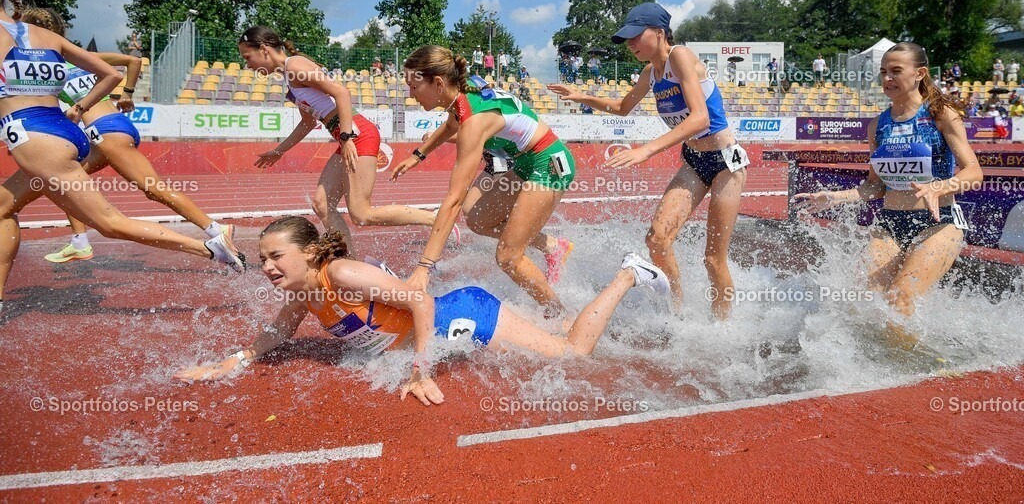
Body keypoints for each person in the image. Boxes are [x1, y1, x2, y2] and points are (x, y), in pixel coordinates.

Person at [173, 216, 670, 405]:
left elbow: (418, 299)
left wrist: (417, 367)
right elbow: (276, 334)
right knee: (553, 333)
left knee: (571, 356)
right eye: (262, 259)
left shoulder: (341, 273)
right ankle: (604, 315)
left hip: (464, 314)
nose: (266, 267)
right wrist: (232, 362)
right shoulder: (304, 293)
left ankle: (628, 273)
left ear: (310, 254)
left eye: (275, 257)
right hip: (453, 317)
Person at [0, 0, 244, 312]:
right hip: (66, 132)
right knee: (4, 205)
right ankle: (71, 246)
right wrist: (86, 105)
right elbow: (114, 72)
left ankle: (212, 246)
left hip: (52, 136)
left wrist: (87, 104)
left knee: (114, 219)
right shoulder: (49, 39)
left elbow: (123, 65)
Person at [548, 2, 747, 318]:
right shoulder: (649, 73)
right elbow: (623, 107)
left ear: (659, 32)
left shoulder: (680, 57)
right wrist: (581, 96)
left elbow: (699, 119)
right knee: (657, 240)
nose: (630, 44)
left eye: (635, 36)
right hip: (695, 161)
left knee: (712, 259)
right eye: (627, 38)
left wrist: (646, 149)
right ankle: (679, 313)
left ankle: (723, 326)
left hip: (726, 163)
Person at [795, 42, 983, 343]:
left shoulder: (940, 115)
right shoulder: (878, 125)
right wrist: (836, 197)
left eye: (896, 71)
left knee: (901, 298)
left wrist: (939, 186)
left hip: (940, 222)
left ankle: (906, 373)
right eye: (883, 72)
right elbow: (875, 186)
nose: (887, 79)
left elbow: (974, 172)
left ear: (920, 73)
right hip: (891, 224)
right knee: (863, 303)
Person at [237, 27, 456, 256]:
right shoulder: (290, 80)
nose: (247, 64)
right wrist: (279, 151)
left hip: (357, 135)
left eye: (247, 57)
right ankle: (350, 260)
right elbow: (308, 123)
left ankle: (437, 221)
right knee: (322, 204)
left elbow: (341, 92)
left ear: (263, 50)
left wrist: (347, 136)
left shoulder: (295, 67)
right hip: (348, 137)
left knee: (362, 214)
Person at [392, 46, 575, 318]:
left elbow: (453, 201)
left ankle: (560, 315)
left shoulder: (474, 123)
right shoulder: (463, 97)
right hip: (526, 161)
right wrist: (419, 155)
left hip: (549, 163)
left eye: (414, 87)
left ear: (438, 83)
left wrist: (424, 267)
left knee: (508, 257)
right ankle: (553, 246)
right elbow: (450, 125)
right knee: (477, 219)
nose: (411, 94)